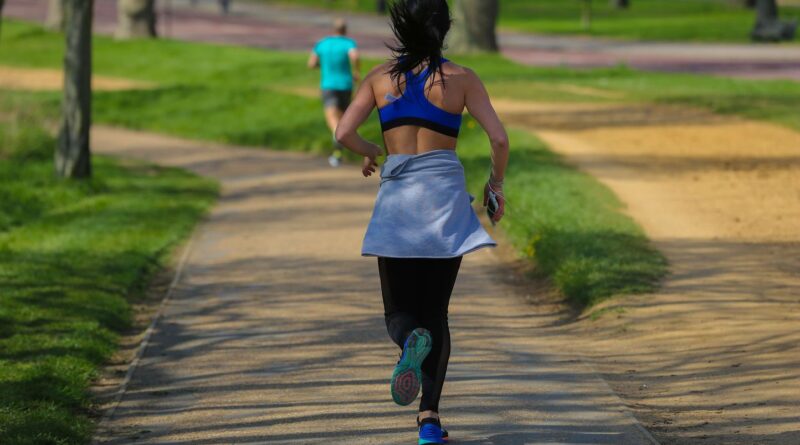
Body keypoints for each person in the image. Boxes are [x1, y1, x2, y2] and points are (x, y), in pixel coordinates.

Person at [334, 1, 509, 443]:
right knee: (437, 314)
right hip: (444, 205)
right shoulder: (462, 79)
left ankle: (409, 339)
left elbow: (342, 134)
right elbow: (499, 138)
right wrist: (495, 184)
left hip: (398, 202)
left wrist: (371, 150)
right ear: (445, 29)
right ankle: (428, 420)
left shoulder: (378, 78)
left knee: (399, 313)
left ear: (401, 26)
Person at [308, 18, 361, 167]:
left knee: (332, 117)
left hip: (328, 85)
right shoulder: (348, 43)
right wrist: (356, 72)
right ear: (345, 30)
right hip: (346, 85)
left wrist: (321, 64)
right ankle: (338, 152)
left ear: (333, 29)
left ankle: (336, 137)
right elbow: (355, 56)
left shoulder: (322, 43)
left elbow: (311, 63)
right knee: (342, 117)